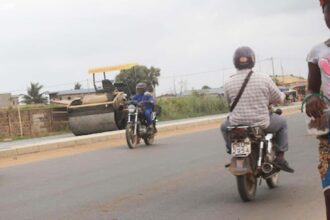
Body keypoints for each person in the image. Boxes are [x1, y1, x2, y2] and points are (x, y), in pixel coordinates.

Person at [221, 46, 294, 173]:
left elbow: (228, 103)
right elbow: (278, 98)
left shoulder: (228, 82)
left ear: (235, 62)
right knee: (282, 122)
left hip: (236, 124)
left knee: (224, 126)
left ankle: (232, 150)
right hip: (262, 123)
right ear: (252, 60)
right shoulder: (263, 78)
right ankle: (281, 157)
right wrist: (281, 97)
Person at [305, 1, 330, 218]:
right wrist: (312, 98)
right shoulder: (317, 52)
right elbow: (312, 88)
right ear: (324, 15)